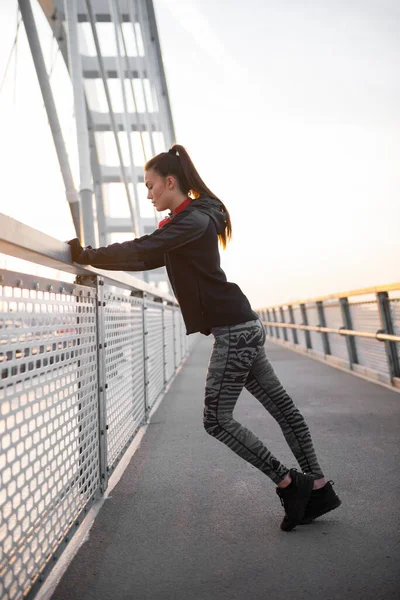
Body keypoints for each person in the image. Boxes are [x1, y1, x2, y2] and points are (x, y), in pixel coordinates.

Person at [67, 144, 341, 531]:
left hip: (234, 331)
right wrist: (93, 256)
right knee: (282, 409)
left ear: (170, 181)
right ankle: (318, 487)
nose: (148, 195)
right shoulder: (188, 220)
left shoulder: (192, 220)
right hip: (240, 325)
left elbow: (146, 247)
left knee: (216, 419)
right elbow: (147, 257)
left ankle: (289, 483)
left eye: (150, 186)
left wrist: (89, 254)